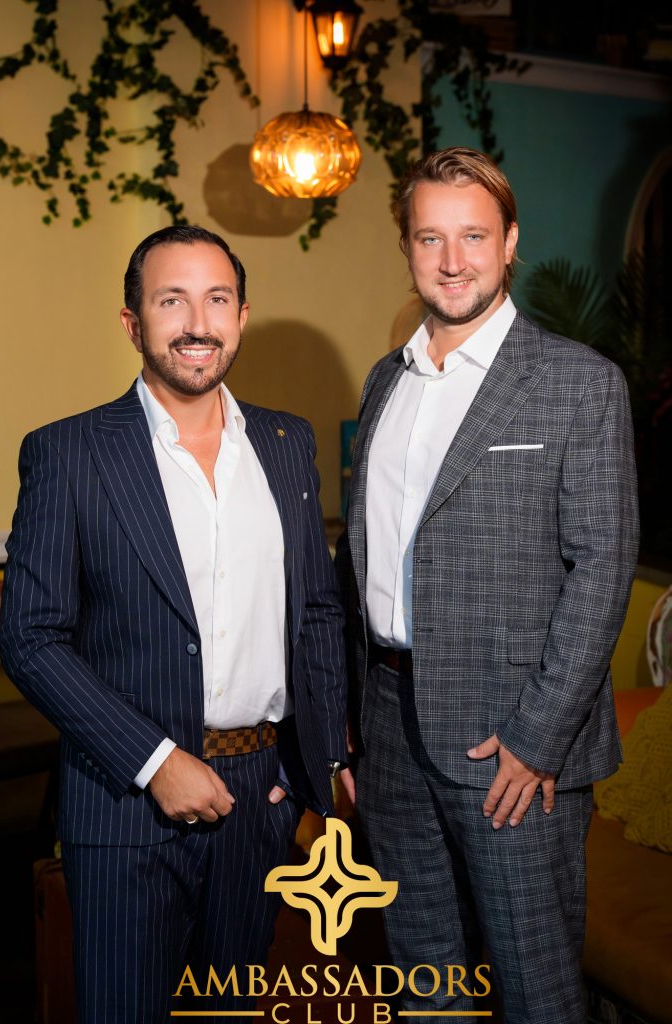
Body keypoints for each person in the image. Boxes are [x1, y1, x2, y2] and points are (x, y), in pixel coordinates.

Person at [0, 225, 349, 1023]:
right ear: (133, 323)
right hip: (125, 805)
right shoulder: (68, 453)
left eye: (217, 299)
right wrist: (155, 763)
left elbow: (317, 609)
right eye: (172, 301)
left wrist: (322, 757)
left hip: (260, 800)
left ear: (242, 315)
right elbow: (31, 638)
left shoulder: (287, 444)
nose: (198, 323)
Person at [335, 147, 639, 1024]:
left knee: (536, 992)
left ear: (509, 243)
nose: (452, 260)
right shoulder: (386, 381)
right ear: (406, 246)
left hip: (511, 745)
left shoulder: (580, 384)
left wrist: (537, 740)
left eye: (473, 236)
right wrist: (349, 724)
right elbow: (367, 557)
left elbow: (602, 570)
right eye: (430, 237)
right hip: (388, 728)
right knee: (424, 983)